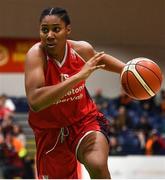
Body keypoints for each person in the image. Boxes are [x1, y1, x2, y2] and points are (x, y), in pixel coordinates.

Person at [24, 7, 125, 179]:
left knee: (98, 165)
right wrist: (78, 77)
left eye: (56, 29)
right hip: (50, 132)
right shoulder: (36, 55)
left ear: (67, 30)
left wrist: (129, 70)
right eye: (44, 30)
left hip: (83, 121)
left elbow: (98, 59)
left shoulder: (81, 49)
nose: (49, 35)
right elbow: (35, 100)